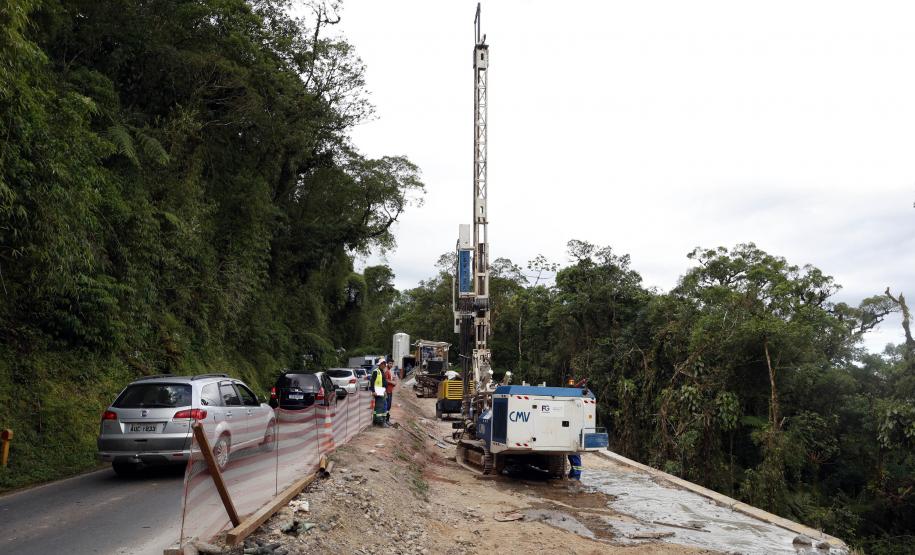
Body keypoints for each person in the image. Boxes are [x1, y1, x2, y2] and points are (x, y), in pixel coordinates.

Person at [370, 360, 389, 427]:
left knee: (378, 407)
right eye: (383, 364)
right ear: (380, 364)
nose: (384, 366)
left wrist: (385, 390)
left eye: (385, 364)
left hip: (381, 391)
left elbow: (383, 382)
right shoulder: (376, 371)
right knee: (381, 407)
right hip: (378, 391)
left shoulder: (381, 371)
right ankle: (380, 422)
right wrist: (373, 391)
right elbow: (372, 381)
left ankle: (375, 421)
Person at [383, 359, 397, 423]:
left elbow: (390, 380)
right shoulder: (386, 371)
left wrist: (394, 383)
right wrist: (392, 382)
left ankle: (387, 420)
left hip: (390, 391)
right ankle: (385, 420)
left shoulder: (389, 371)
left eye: (392, 363)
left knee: (389, 406)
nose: (391, 365)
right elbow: (386, 380)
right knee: (387, 406)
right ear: (387, 363)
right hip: (387, 391)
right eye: (390, 363)